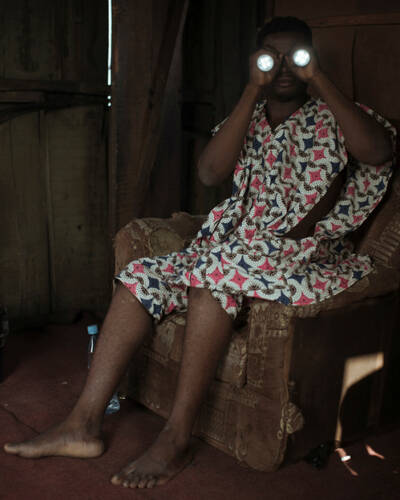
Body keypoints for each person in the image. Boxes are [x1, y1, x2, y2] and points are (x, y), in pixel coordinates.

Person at [4, 16, 395, 489]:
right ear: (256, 62)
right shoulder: (248, 116)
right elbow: (210, 172)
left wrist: (319, 78)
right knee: (141, 276)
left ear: (311, 59)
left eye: (296, 56)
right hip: (233, 250)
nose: (284, 67)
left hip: (300, 255)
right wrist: (252, 89)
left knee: (214, 274)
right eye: (272, 58)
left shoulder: (335, 115)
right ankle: (82, 424)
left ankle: (176, 438)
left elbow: (377, 152)